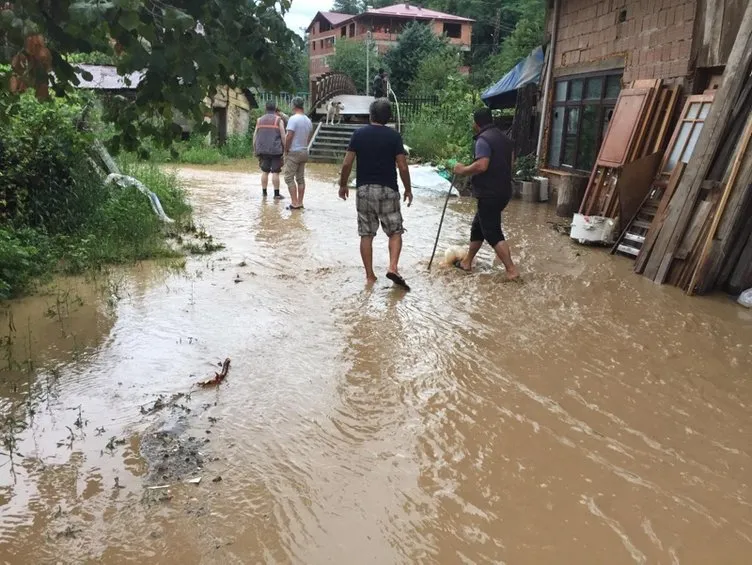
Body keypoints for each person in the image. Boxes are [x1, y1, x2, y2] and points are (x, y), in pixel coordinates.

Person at [339, 99, 413, 289]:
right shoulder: (394, 136)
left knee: (366, 234)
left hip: (364, 190)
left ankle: (370, 276)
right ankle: (393, 267)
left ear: (370, 115)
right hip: (388, 189)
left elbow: (347, 163)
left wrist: (343, 184)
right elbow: (402, 166)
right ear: (388, 117)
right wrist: (408, 189)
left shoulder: (358, 134)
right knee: (395, 232)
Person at [452, 107, 520, 280]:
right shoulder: (505, 139)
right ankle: (467, 262)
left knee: (492, 232)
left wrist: (463, 170)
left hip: (490, 192)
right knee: (478, 226)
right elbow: (511, 165)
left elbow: (482, 165)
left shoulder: (483, 140)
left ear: (476, 124)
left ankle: (511, 271)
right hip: (503, 191)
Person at [283, 96, 313, 209]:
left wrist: (286, 150)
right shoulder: (308, 120)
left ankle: (294, 203)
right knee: (300, 178)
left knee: (288, 178)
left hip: (294, 152)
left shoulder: (293, 119)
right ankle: (300, 203)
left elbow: (289, 136)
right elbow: (308, 138)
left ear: (293, 105)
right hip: (304, 151)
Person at [253, 101, 286, 200]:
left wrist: (255, 149)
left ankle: (264, 193)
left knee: (265, 171)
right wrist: (285, 150)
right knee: (275, 172)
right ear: (275, 108)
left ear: (265, 108)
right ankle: (276, 195)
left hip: (262, 150)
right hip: (275, 150)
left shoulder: (259, 120)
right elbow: (283, 136)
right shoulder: (278, 120)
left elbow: (255, 136)